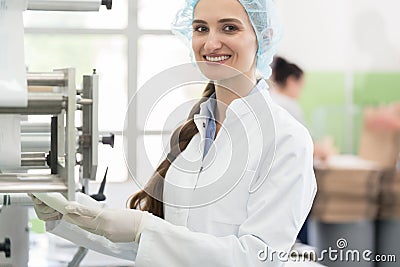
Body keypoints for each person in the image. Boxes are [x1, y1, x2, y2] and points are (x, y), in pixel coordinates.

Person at [31, 0, 317, 266]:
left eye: (229, 27)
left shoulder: (286, 139)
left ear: (263, 38)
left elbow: (256, 259)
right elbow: (159, 246)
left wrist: (145, 230)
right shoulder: (195, 132)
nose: (211, 42)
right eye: (200, 28)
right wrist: (69, 214)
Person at [270, 56, 305, 125]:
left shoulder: (269, 98)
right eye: (300, 86)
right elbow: (301, 134)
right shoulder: (289, 105)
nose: (301, 92)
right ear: (291, 81)